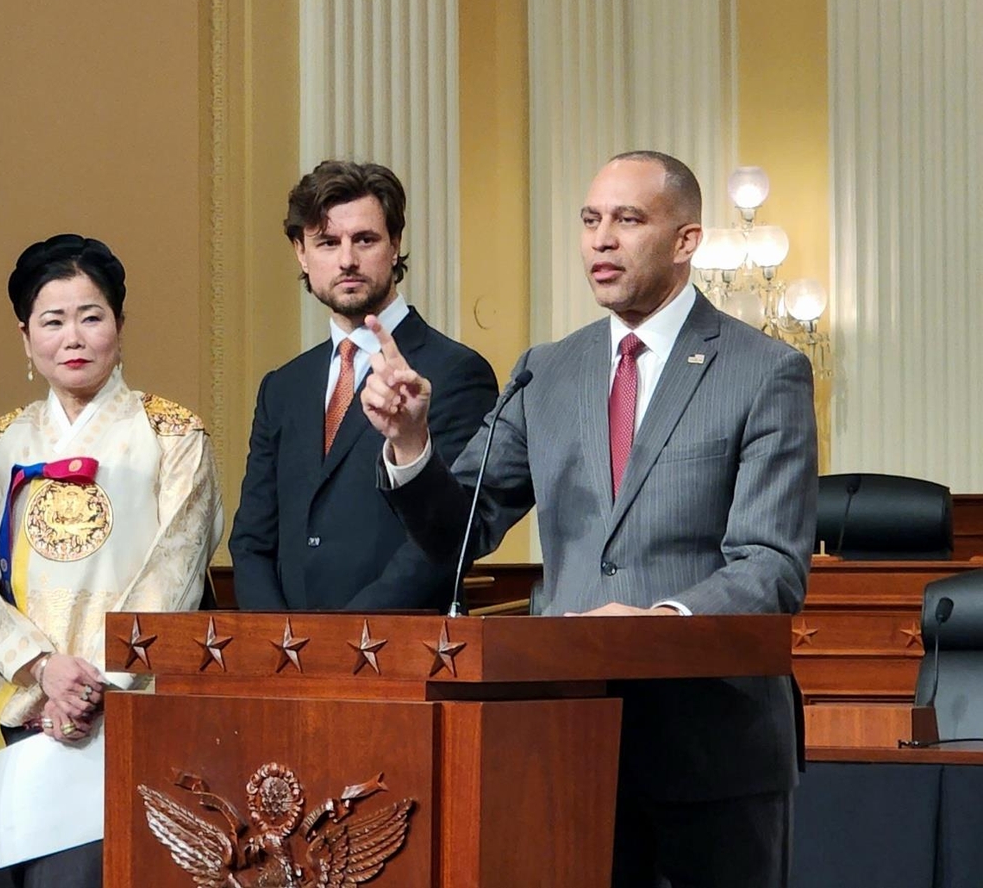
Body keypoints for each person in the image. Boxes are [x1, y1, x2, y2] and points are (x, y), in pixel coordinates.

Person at [362, 151, 817, 887]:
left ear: (686, 239)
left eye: (628, 219)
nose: (602, 239)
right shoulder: (547, 370)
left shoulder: (764, 370)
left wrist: (651, 621)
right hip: (559, 744)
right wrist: (413, 441)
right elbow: (461, 529)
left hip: (710, 749)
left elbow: (770, 565)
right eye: (590, 220)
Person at [0, 234, 223, 888]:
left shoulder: (174, 436)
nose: (73, 337)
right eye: (52, 321)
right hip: (17, 690)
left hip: (135, 701)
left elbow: (177, 569)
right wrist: (44, 670)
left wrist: (96, 684)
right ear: (26, 337)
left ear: (119, 323)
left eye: (91, 315)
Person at [229, 160, 497, 611]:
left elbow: (446, 541)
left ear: (395, 245)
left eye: (365, 240)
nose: (347, 259)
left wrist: (342, 641)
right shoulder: (282, 387)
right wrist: (278, 644)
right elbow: (253, 539)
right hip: (284, 662)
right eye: (327, 242)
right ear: (301, 253)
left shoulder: (455, 372)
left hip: (401, 651)